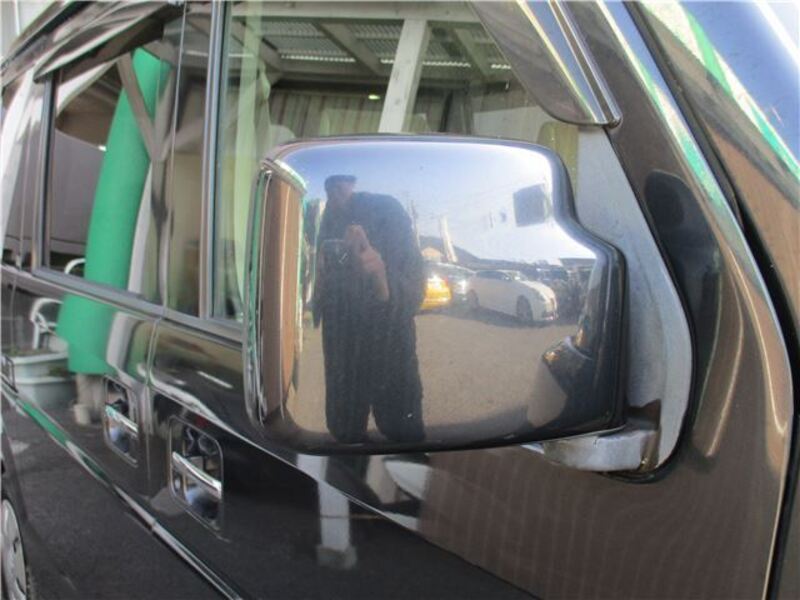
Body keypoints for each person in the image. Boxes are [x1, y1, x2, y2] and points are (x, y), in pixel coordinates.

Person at [314, 175, 426, 444]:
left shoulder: (386, 209)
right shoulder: (324, 220)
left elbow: (416, 290)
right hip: (341, 355)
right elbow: (321, 297)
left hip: (390, 350)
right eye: (329, 184)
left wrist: (380, 276)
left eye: (341, 181)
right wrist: (318, 279)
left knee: (404, 439)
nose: (334, 190)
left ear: (353, 182)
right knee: (342, 436)